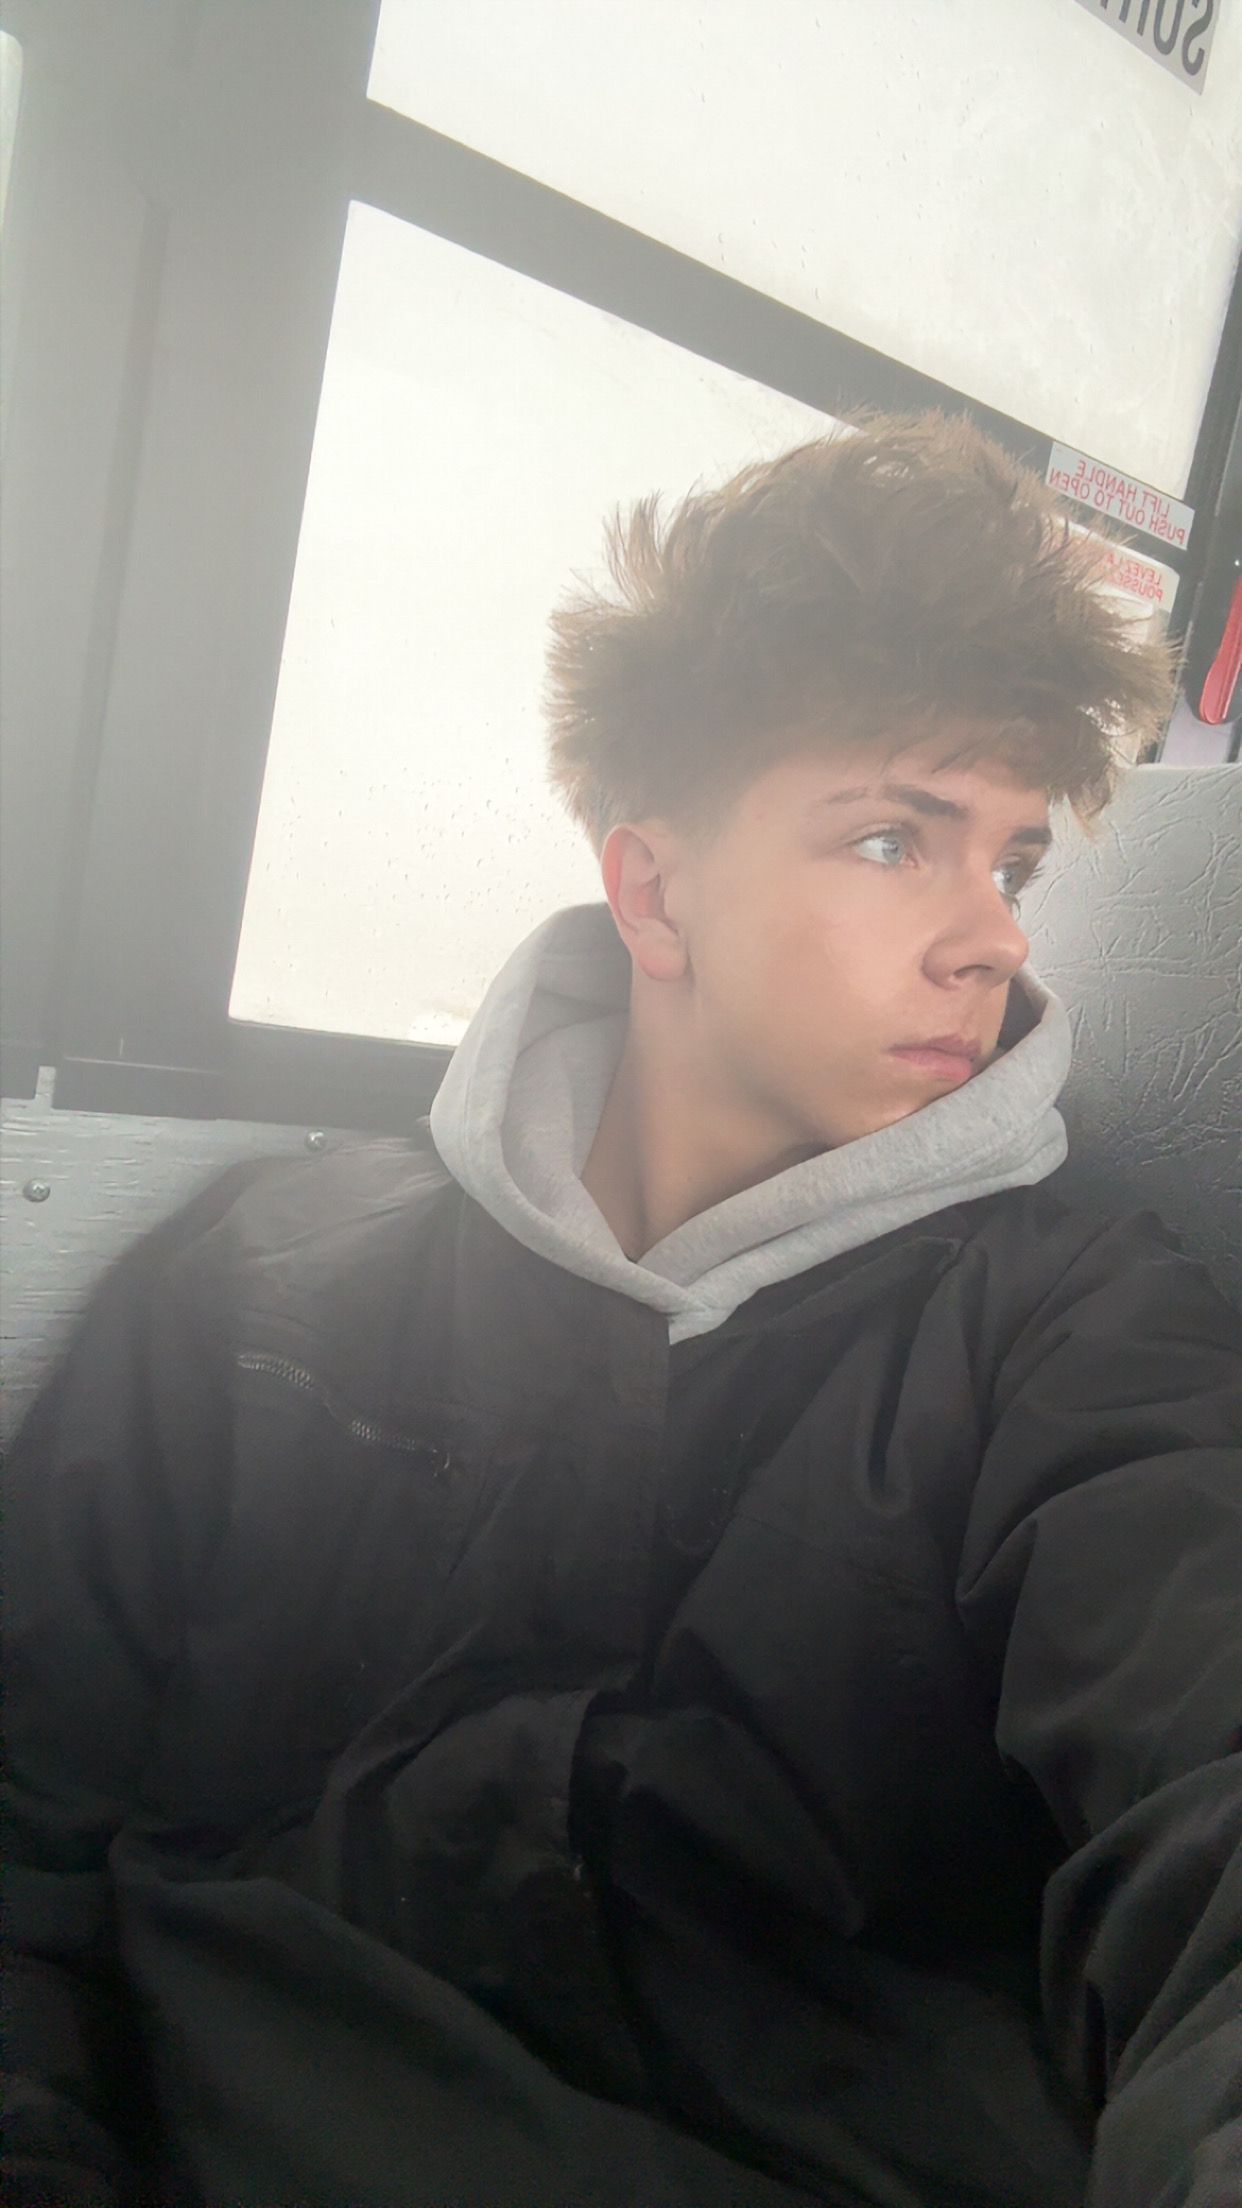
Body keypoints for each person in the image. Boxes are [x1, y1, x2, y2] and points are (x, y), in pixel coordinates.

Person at [4, 414, 1239, 2208]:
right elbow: (26, 1822)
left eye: (1013, 863)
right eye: (892, 839)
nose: (991, 937)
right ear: (652, 887)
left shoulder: (1072, 1339)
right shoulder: (264, 1285)